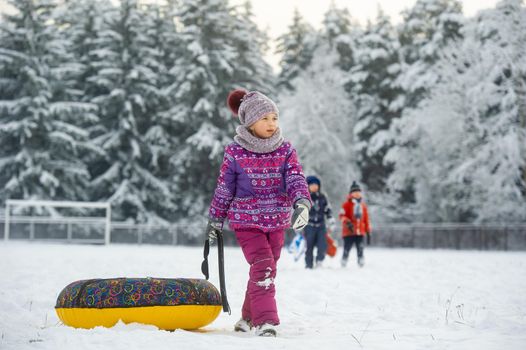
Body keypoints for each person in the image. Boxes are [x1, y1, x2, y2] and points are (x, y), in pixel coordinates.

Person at [206, 89, 311, 337]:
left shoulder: (285, 150)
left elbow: (295, 178)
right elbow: (224, 188)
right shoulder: (235, 152)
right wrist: (215, 220)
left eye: (274, 117)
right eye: (265, 118)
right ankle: (266, 322)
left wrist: (302, 203)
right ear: (250, 122)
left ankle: (247, 316)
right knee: (263, 266)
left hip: (276, 221)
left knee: (265, 269)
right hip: (246, 221)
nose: (271, 123)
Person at [303, 175, 336, 269]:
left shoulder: (322, 197)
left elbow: (328, 209)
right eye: (312, 184)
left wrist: (331, 220)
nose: (314, 186)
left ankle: (319, 261)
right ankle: (308, 264)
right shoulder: (305, 198)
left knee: (322, 245)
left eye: (316, 184)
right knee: (309, 246)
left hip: (321, 226)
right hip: (309, 226)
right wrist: (299, 224)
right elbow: (300, 212)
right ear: (307, 186)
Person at [339, 181, 371, 268]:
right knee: (347, 247)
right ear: (351, 194)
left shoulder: (363, 206)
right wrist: (347, 222)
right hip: (349, 231)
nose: (357, 194)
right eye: (355, 192)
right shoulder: (346, 205)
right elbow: (341, 216)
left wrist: (368, 231)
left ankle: (361, 260)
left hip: (360, 231)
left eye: (358, 192)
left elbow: (366, 219)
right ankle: (344, 260)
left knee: (360, 247)